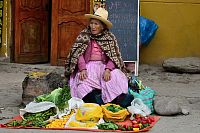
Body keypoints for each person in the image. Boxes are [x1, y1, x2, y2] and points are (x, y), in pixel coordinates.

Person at [65, 8, 133, 107]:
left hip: (104, 66)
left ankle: (118, 98)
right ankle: (94, 100)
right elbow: (77, 54)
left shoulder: (109, 37)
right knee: (82, 81)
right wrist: (82, 68)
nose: (93, 26)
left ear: (102, 26)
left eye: (96, 24)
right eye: (92, 23)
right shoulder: (84, 35)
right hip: (88, 66)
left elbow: (113, 57)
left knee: (116, 76)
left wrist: (108, 69)